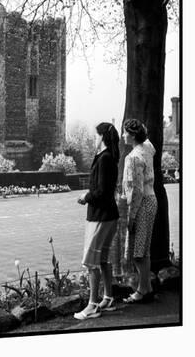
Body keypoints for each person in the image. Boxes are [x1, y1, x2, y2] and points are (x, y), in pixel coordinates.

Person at [74, 122, 120, 320]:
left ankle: (92, 306)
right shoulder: (107, 157)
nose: (94, 139)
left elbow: (101, 192)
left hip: (100, 216)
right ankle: (108, 298)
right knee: (102, 259)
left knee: (90, 262)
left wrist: (86, 197)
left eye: (95, 136)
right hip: (109, 215)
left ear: (102, 137)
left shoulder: (104, 159)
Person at [119, 119, 158, 303]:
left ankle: (142, 291)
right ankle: (147, 287)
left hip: (141, 204)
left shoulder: (133, 157)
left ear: (133, 135)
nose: (123, 135)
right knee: (144, 248)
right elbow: (148, 139)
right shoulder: (148, 147)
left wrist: (131, 216)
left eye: (125, 132)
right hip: (151, 201)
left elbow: (136, 190)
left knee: (137, 250)